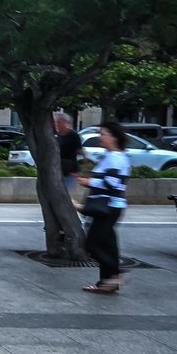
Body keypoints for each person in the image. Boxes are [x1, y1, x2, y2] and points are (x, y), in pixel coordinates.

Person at [78, 121, 131, 294]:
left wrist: (88, 182)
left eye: (103, 134)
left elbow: (111, 183)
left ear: (113, 137)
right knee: (108, 244)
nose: (100, 137)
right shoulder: (113, 156)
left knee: (92, 244)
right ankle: (106, 282)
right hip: (111, 206)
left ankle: (115, 276)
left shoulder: (116, 158)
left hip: (108, 207)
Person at [55, 112, 85, 192]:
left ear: (64, 122)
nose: (57, 124)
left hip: (70, 169)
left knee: (64, 192)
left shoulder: (73, 135)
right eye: (56, 122)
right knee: (59, 192)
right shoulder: (59, 135)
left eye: (59, 122)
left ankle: (74, 204)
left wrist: (84, 166)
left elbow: (80, 150)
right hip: (59, 168)